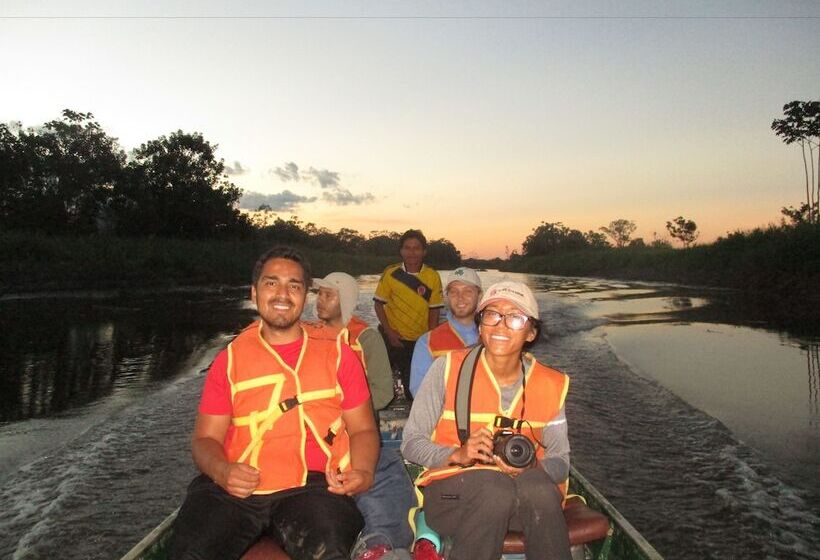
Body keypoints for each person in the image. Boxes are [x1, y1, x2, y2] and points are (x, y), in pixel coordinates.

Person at [170, 246, 379, 560]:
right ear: (254, 293)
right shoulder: (229, 360)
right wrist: (222, 470)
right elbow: (204, 440)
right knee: (190, 553)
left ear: (304, 295)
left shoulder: (339, 354)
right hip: (233, 489)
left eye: (294, 286)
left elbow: (363, 429)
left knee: (330, 550)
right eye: (272, 283)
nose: (283, 293)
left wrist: (362, 471)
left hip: (313, 486)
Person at [401, 281, 572, 560]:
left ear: (531, 332)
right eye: (491, 315)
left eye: (515, 318)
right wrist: (458, 453)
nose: (501, 326)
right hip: (452, 499)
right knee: (496, 488)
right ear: (480, 326)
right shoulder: (447, 369)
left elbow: (561, 462)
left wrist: (533, 465)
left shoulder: (551, 384)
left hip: (525, 502)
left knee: (540, 488)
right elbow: (410, 443)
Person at [313, 271, 416, 550]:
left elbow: (383, 393)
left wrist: (345, 410)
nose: (319, 300)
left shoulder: (365, 338)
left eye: (328, 295)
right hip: (319, 433)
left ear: (345, 300)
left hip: (358, 429)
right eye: (319, 293)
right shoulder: (309, 336)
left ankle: (383, 543)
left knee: (380, 475)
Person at [374, 229, 444, 400]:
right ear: (401, 251)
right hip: (391, 337)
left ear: (424, 251)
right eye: (407, 248)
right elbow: (378, 305)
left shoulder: (432, 276)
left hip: (418, 342)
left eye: (416, 248)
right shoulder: (391, 273)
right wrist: (390, 333)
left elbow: (434, 310)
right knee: (378, 382)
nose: (412, 252)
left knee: (414, 387)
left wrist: (430, 340)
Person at [408, 267, 482, 397]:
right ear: (446, 297)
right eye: (454, 292)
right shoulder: (427, 342)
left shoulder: (496, 337)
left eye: (468, 291)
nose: (460, 298)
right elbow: (420, 393)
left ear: (480, 295)